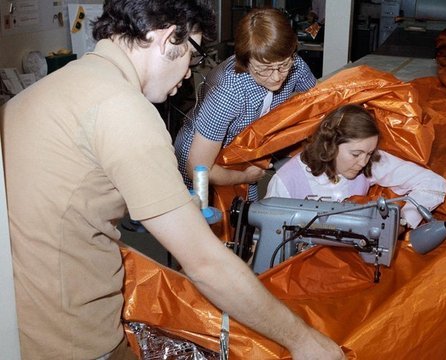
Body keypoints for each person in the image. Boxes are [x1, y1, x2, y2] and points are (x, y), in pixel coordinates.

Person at [0, 1, 344, 359]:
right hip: (68, 338)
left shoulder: (58, 84)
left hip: (17, 321)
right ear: (168, 40)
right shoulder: (124, 111)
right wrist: (304, 341)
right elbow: (205, 264)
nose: (188, 75)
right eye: (193, 56)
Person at [174, 8, 316, 201]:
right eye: (264, 69)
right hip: (201, 155)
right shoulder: (229, 91)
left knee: (243, 214)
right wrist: (244, 176)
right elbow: (199, 170)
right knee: (203, 216)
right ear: (245, 61)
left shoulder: (293, 64)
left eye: (283, 65)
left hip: (244, 152)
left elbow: (318, 100)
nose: (276, 77)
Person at [266, 104, 446, 228]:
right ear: (330, 145)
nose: (362, 162)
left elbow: (433, 184)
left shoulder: (368, 162)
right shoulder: (286, 181)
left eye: (369, 153)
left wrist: (402, 220)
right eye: (356, 154)